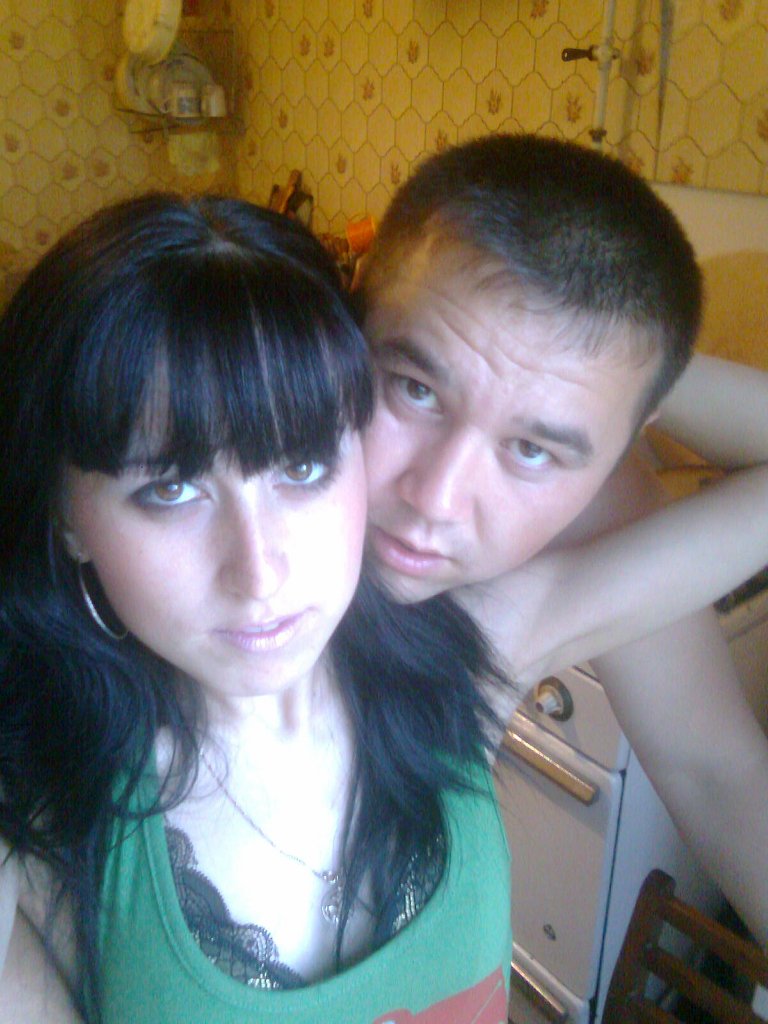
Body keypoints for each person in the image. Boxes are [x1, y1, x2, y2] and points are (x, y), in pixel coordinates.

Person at [0, 194, 514, 1023]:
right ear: (65, 520)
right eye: (170, 489)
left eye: (302, 468)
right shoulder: (36, 818)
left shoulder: (472, 654)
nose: (259, 571)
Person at [357, 133, 768, 944]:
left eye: (533, 448)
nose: (436, 501)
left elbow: (718, 773)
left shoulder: (511, 611)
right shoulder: (197, 488)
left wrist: (616, 362)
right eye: (415, 388)